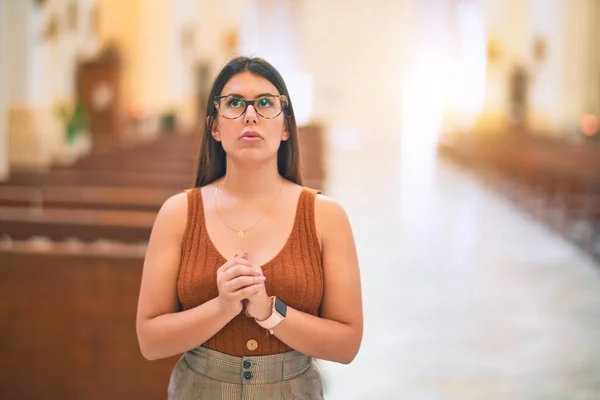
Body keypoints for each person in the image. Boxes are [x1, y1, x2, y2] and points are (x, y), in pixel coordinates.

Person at [136, 56, 363, 399]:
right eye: (235, 103)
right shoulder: (178, 213)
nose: (250, 115)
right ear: (215, 126)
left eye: (266, 103)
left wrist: (270, 311)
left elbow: (346, 344)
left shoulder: (325, 216)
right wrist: (222, 307)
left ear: (286, 127)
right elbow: (150, 341)